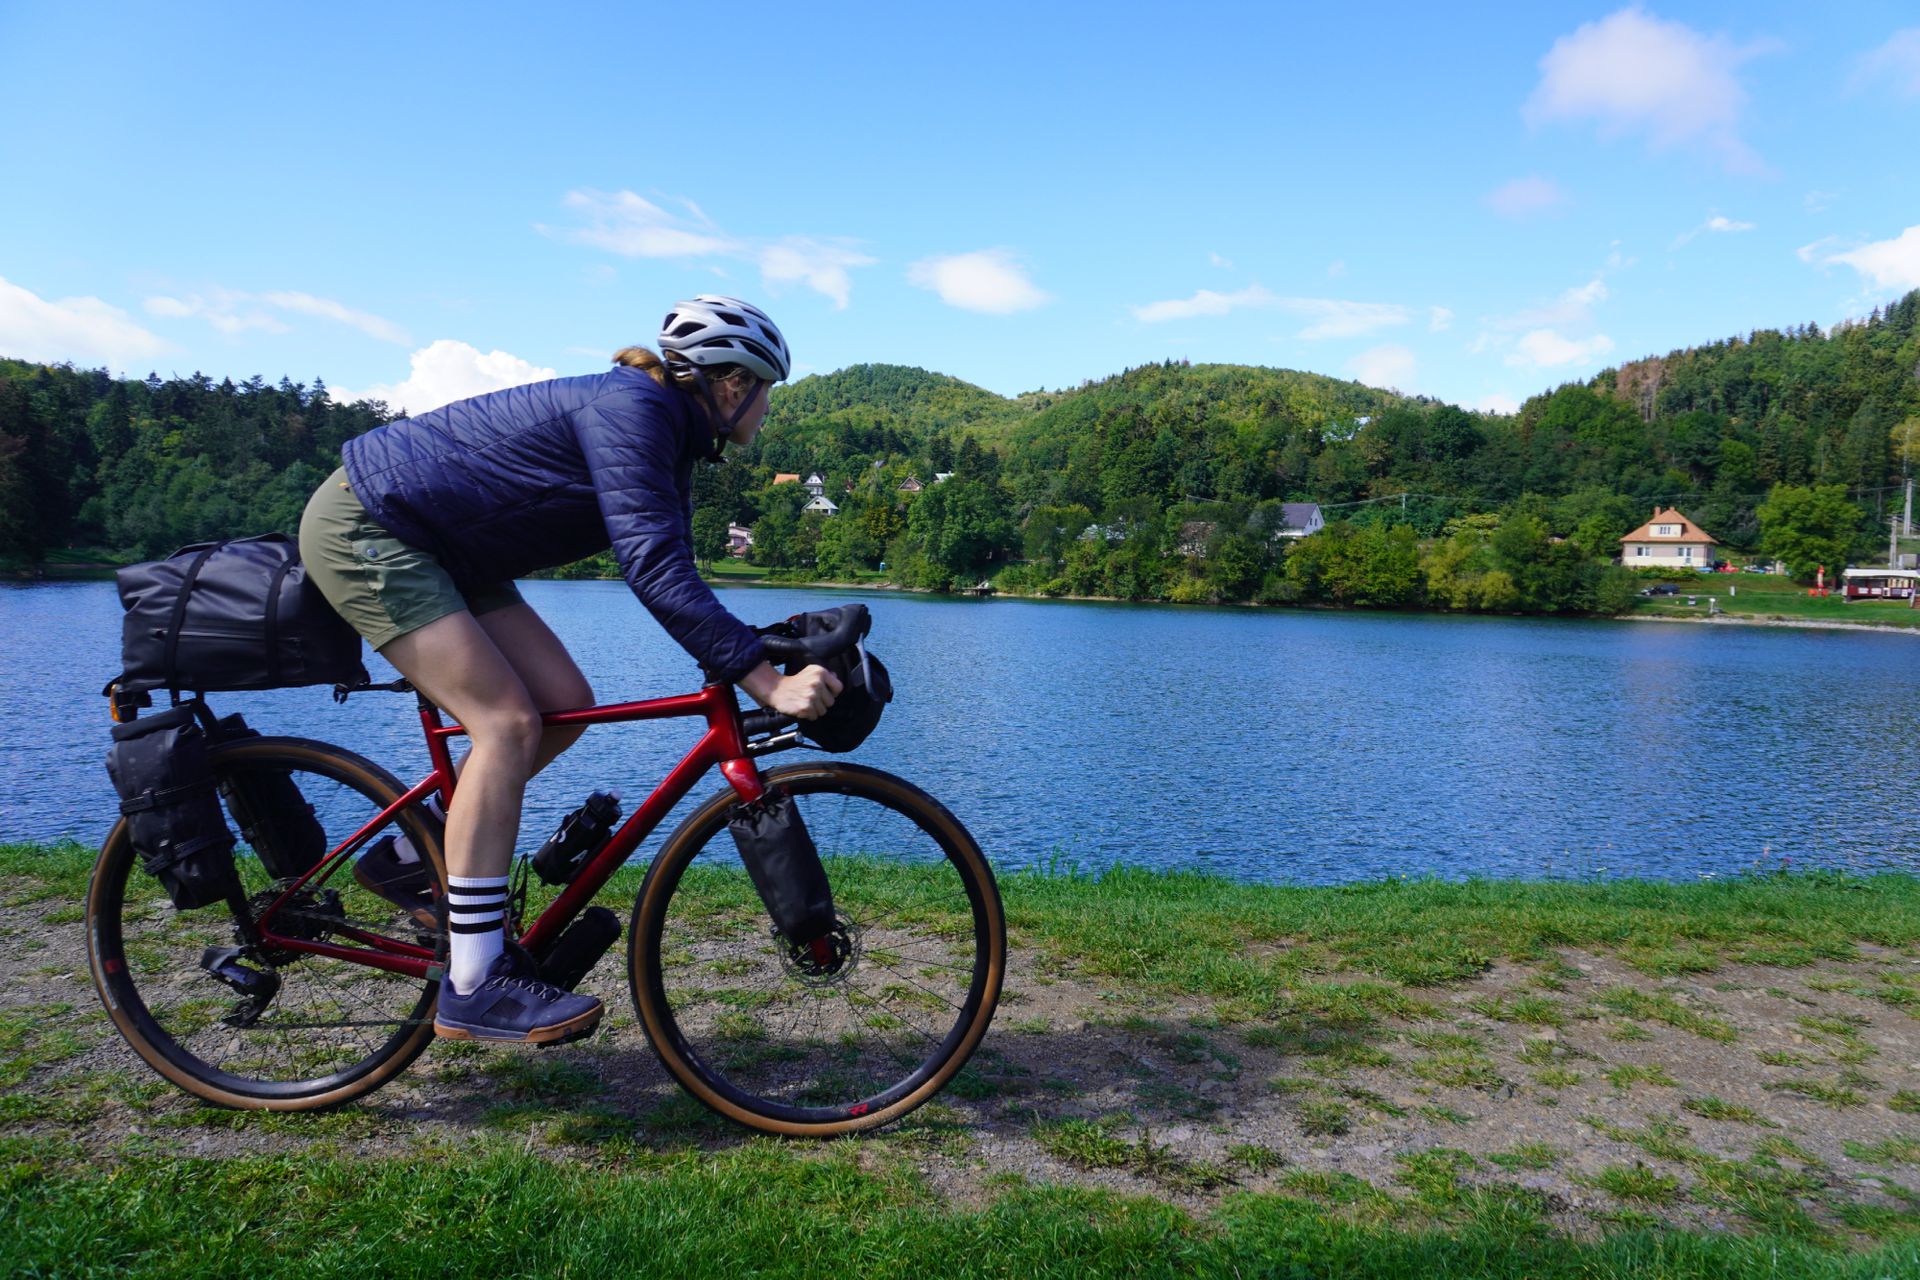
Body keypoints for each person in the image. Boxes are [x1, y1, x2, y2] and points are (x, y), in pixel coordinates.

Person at [297, 296, 840, 1044]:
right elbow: (649, 568)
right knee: (506, 723)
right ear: (729, 384)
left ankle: (405, 858)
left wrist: (764, 648)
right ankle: (474, 982)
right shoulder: (635, 411)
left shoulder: (665, 433)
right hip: (374, 525)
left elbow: (673, 569)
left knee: (561, 699)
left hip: (447, 548)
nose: (767, 409)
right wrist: (766, 684)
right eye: (766, 390)